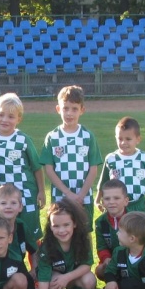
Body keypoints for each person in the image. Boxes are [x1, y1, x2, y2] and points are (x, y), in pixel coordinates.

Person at [0, 93, 45, 267]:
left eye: (11, 116)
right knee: (5, 235)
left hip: (26, 197)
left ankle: (37, 273)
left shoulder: (23, 140)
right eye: (1, 115)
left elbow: (36, 167)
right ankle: (8, 270)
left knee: (32, 236)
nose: (5, 120)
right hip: (4, 201)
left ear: (19, 119)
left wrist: (41, 191)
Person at [41, 85, 103, 226]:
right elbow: (49, 170)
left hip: (84, 197)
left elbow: (93, 169)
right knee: (60, 231)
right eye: (65, 108)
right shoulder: (52, 137)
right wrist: (68, 194)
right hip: (60, 197)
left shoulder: (88, 136)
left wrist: (81, 195)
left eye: (74, 109)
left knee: (84, 232)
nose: (69, 113)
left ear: (82, 110)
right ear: (58, 109)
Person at [34, 198, 97, 289]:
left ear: (74, 224)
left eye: (66, 225)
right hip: (53, 277)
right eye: (56, 226)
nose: (61, 230)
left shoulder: (82, 240)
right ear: (50, 227)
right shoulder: (47, 246)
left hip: (71, 276)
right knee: (54, 282)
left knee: (89, 281)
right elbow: (43, 278)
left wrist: (67, 277)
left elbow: (87, 265)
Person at [96, 116, 145, 217]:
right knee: (117, 227)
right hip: (117, 206)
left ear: (138, 139)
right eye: (120, 139)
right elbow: (103, 182)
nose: (123, 143)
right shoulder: (111, 159)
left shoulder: (143, 158)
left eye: (128, 139)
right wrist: (97, 200)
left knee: (142, 227)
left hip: (139, 205)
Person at [94, 179, 130, 279]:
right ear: (102, 202)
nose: (111, 202)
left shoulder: (133, 220)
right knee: (100, 270)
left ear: (126, 201)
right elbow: (101, 246)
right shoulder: (100, 222)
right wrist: (106, 259)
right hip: (111, 260)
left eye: (116, 198)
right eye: (107, 199)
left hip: (130, 259)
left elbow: (140, 245)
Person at [0, 183, 37, 263]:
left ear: (20, 207)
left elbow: (34, 251)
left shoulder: (21, 226)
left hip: (18, 266)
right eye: (3, 203)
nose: (8, 207)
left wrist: (34, 268)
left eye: (13, 203)